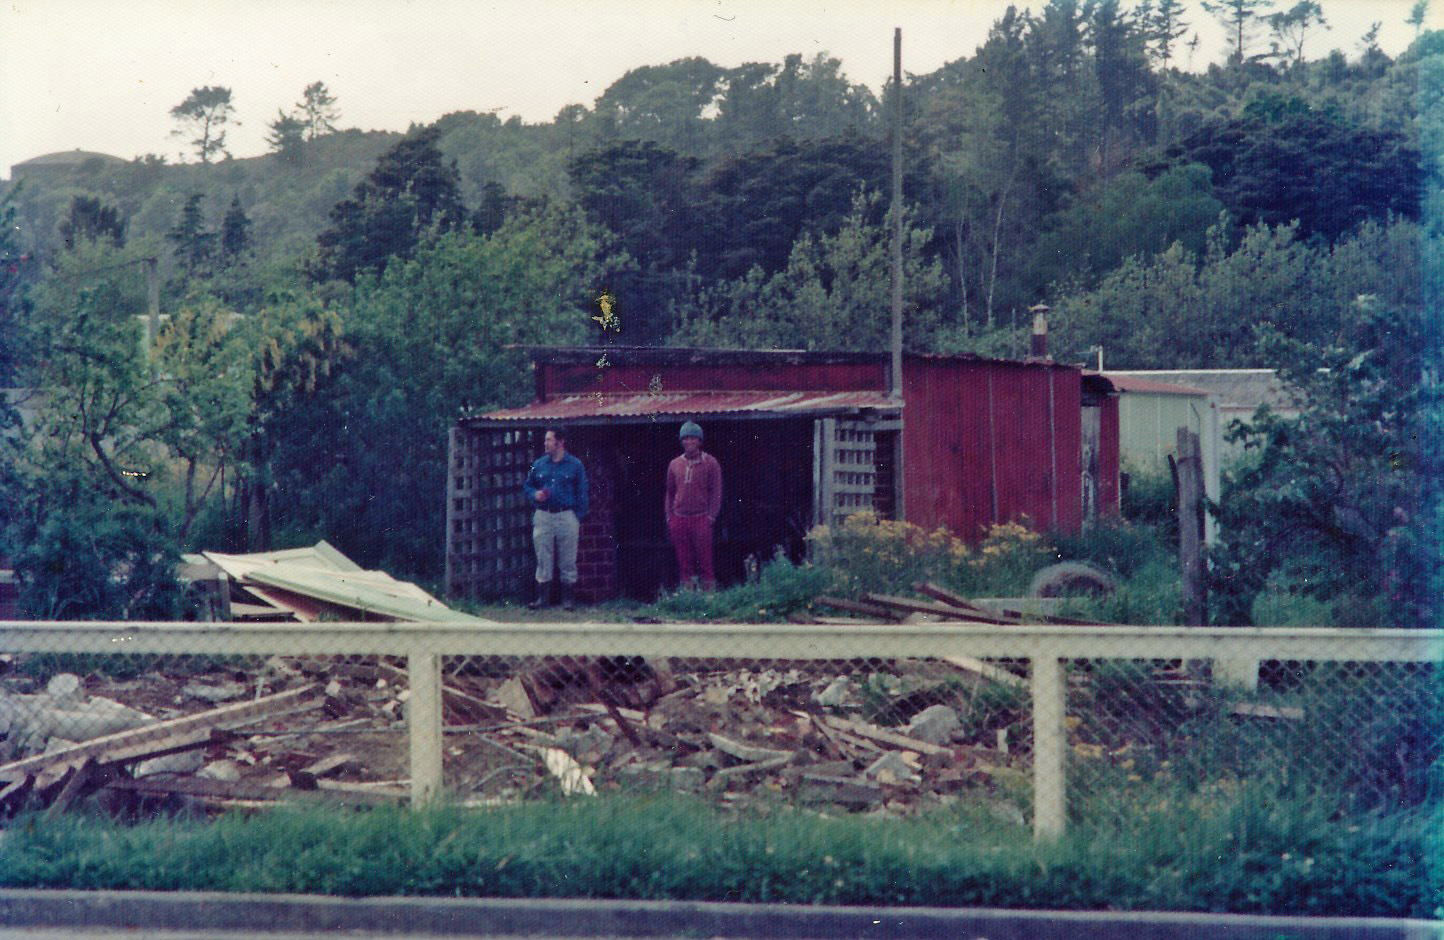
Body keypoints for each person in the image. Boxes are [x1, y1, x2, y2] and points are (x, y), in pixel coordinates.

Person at [523, 427, 588, 610]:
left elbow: (582, 492)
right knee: (543, 557)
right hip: (544, 515)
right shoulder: (539, 464)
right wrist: (535, 494)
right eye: (545, 440)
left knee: (568, 558)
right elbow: (527, 486)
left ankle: (568, 600)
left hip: (566, 515)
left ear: (560, 442)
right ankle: (542, 598)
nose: (545, 444)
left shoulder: (575, 465)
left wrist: (577, 517)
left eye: (549, 440)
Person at [664, 420, 722, 591]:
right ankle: (688, 598)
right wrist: (669, 517)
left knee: (705, 560)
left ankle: (709, 598)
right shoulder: (675, 464)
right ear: (682, 441)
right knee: (684, 561)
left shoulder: (710, 463)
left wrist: (711, 516)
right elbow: (669, 492)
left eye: (693, 438)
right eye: (686, 438)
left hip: (701, 518)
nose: (689, 442)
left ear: (700, 441)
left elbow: (716, 491)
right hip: (679, 519)